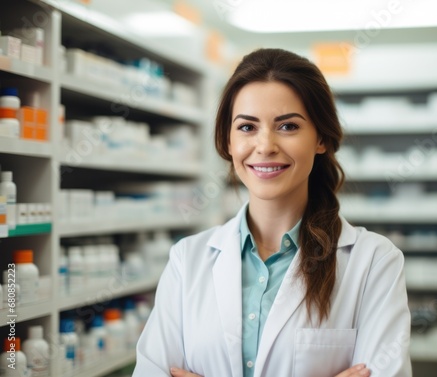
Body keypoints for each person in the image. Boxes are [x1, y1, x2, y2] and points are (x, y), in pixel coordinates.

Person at [132, 48, 412, 377]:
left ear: (320, 138)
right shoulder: (187, 260)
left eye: (288, 126)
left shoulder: (374, 262)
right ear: (228, 140)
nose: (265, 146)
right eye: (247, 128)